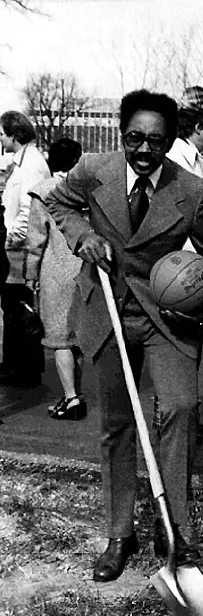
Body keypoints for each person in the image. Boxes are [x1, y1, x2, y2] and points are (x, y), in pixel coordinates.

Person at [47, 89, 203, 583]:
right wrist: (83, 236)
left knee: (179, 407)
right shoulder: (92, 169)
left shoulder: (191, 190)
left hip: (164, 316)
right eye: (134, 138)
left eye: (155, 140)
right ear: (121, 134)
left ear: (171, 140)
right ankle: (119, 532)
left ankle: (173, 527)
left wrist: (202, 298)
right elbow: (58, 202)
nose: (144, 150)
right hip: (105, 307)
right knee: (116, 424)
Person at [164, 84, 203, 437]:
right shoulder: (175, 161)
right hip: (180, 264)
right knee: (176, 345)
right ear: (200, 124)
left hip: (197, 261)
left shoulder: (199, 160)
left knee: (192, 342)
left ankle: (186, 413)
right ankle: (171, 415)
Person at [24, 138, 86, 420]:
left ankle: (71, 398)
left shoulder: (44, 192)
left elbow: (36, 240)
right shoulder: (87, 190)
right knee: (77, 340)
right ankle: (74, 394)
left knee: (60, 339)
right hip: (85, 269)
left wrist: (29, 277)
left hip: (56, 270)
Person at [0, 111, 50, 388]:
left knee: (20, 309)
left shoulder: (30, 165)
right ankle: (15, 364)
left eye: (2, 134)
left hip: (19, 251)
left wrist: (9, 239)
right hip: (16, 250)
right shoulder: (22, 163)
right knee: (13, 309)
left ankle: (23, 369)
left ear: (14, 134)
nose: (0, 139)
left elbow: (29, 211)